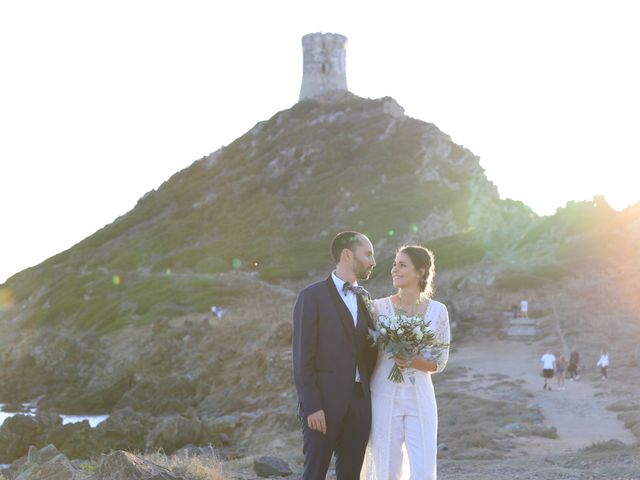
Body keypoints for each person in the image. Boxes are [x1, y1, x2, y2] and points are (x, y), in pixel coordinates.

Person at [293, 231, 378, 480]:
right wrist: (313, 406)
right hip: (323, 407)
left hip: (360, 406)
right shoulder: (311, 296)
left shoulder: (365, 298)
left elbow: (369, 350)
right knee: (314, 474)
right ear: (347, 255)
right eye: (368, 254)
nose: (373, 261)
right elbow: (302, 357)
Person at [362, 245, 450, 480]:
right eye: (394, 264)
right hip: (383, 393)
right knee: (386, 467)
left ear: (421, 272)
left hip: (419, 395)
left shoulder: (438, 311)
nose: (394, 269)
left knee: (423, 468)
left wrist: (413, 360)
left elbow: (439, 362)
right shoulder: (377, 308)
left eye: (402, 265)